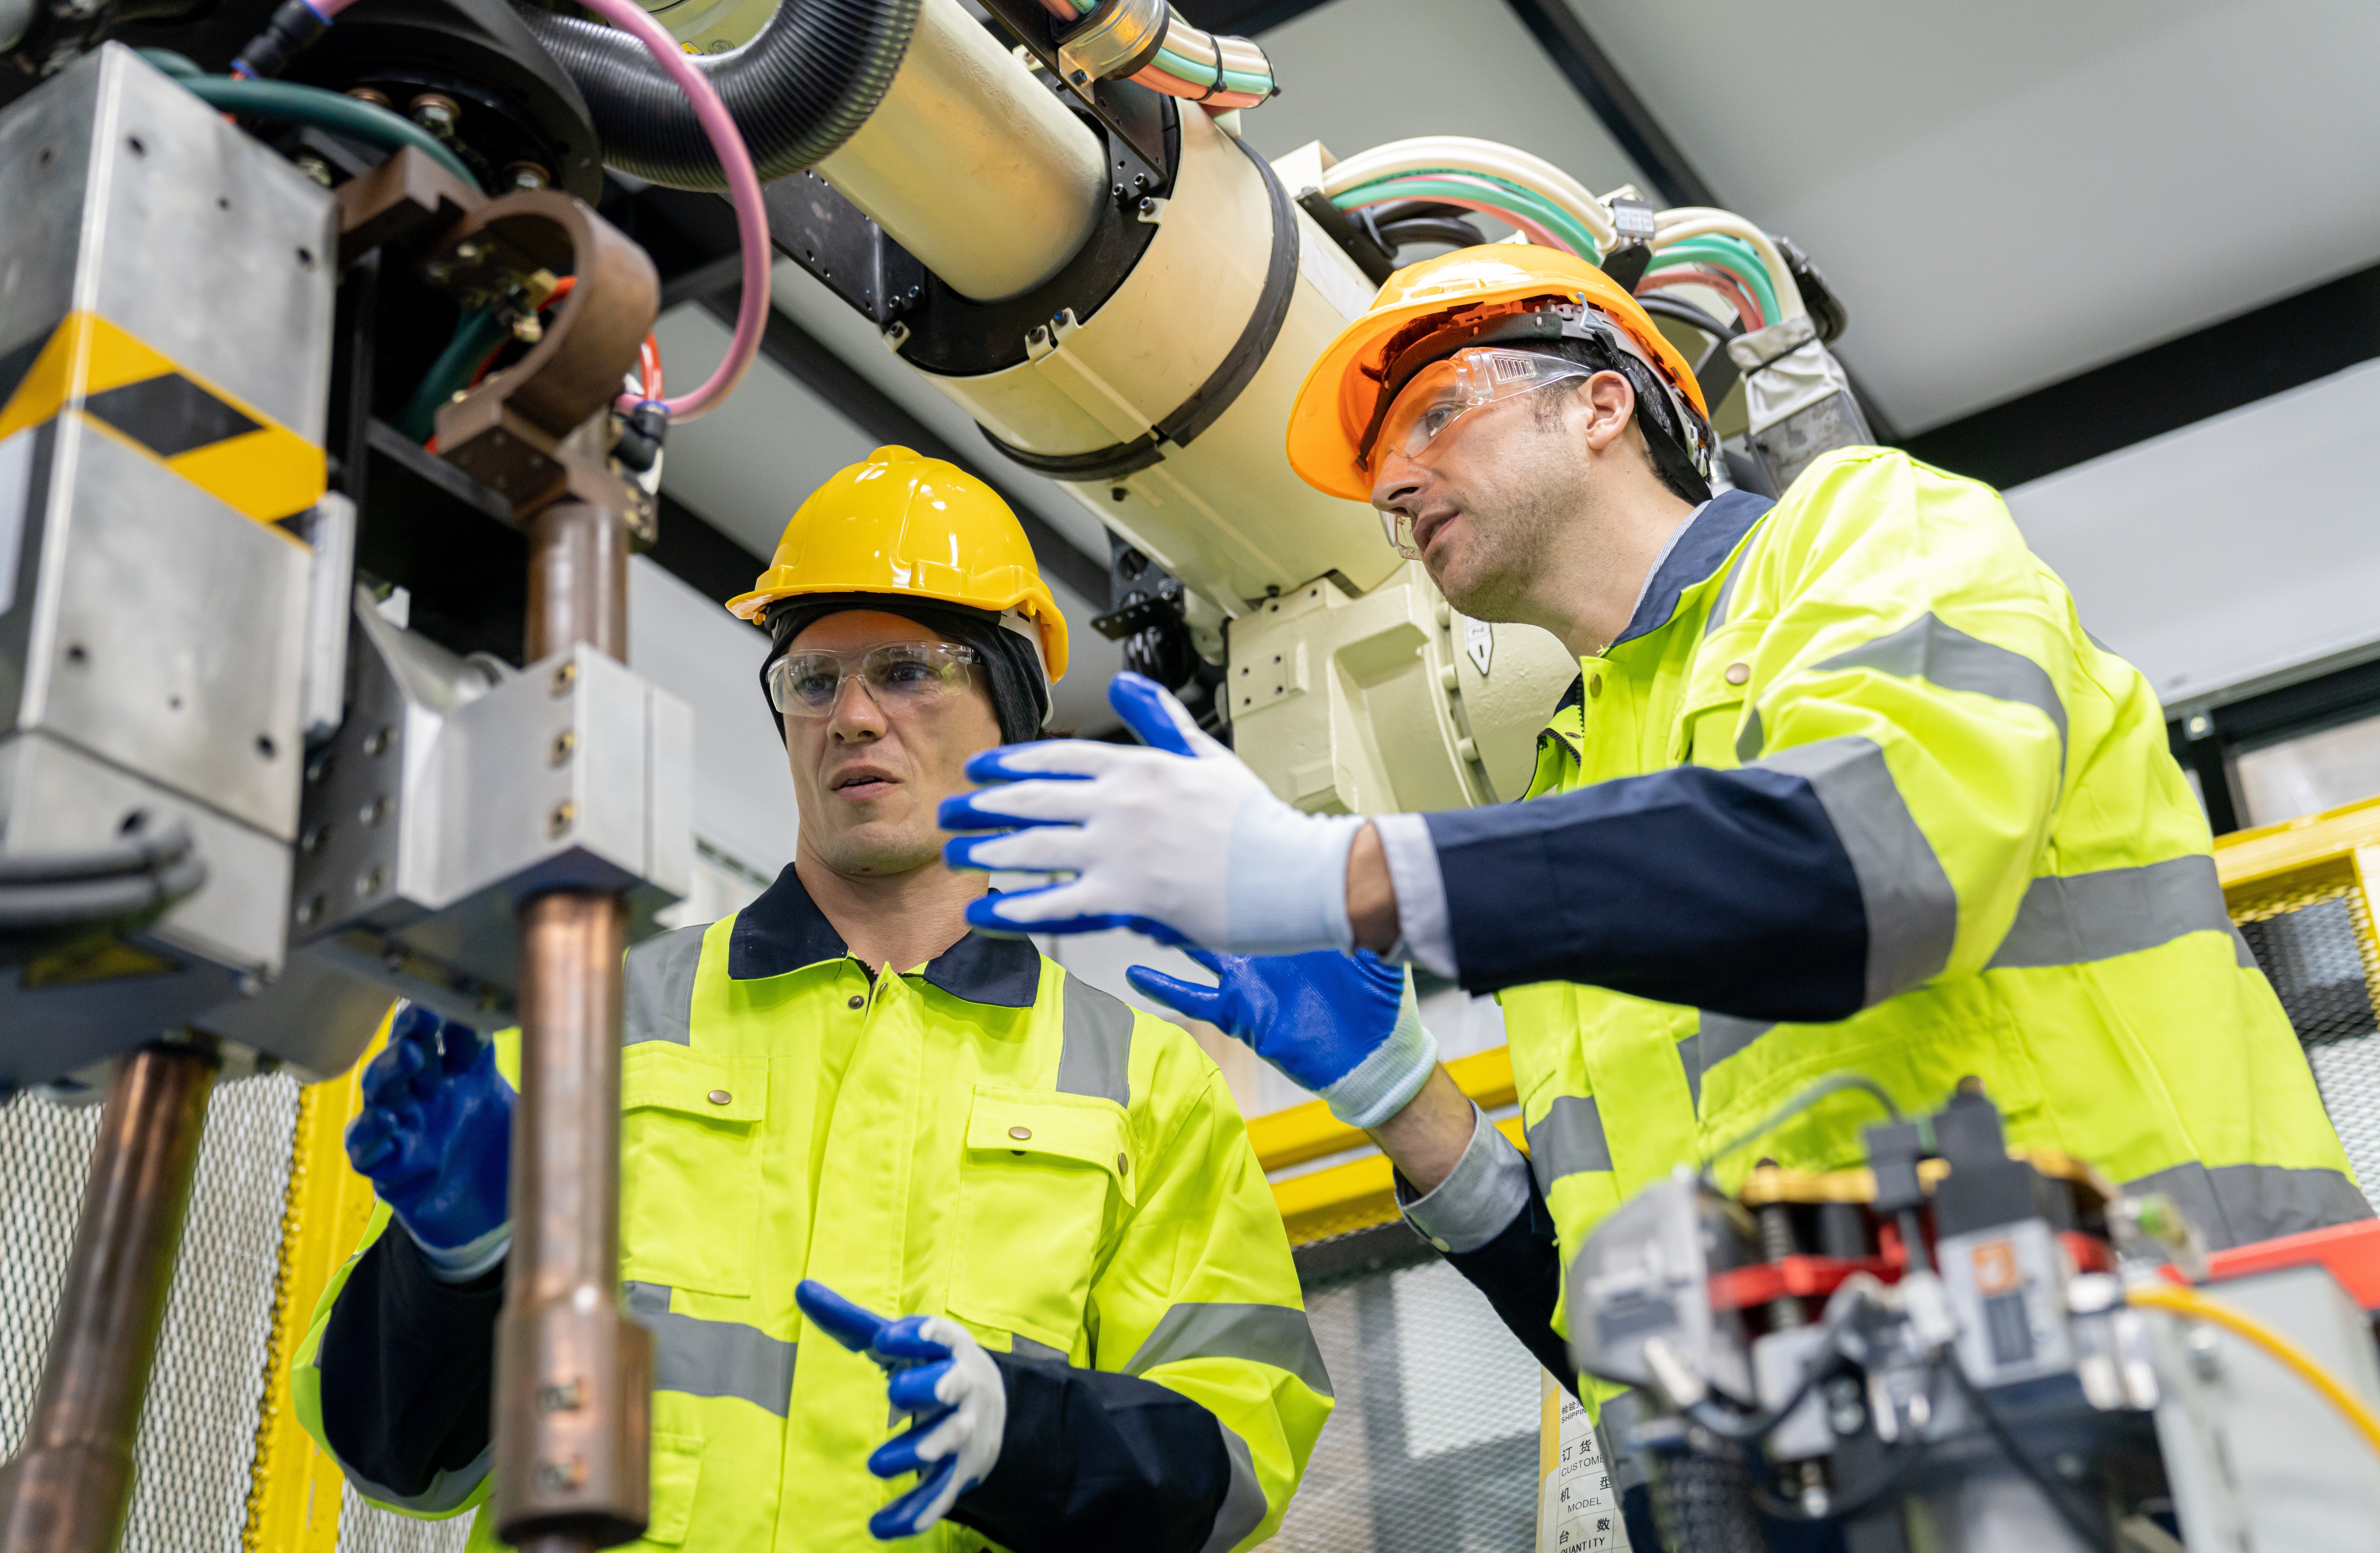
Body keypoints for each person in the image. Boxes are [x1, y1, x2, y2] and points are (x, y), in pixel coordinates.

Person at [936, 245, 2370, 1394]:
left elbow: (1877, 868)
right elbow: (1617, 1346)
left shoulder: (1864, 534)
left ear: (1601, 400)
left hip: (2185, 1397)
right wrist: (1405, 1104)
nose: (1394, 480)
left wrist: (1350, 867)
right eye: (1382, 474)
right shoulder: (1578, 784)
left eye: (1435, 411)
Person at [289, 447, 1331, 1553]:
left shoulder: (1145, 1087)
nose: (853, 717)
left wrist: (1024, 1437)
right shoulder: (589, 1021)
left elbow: (1237, 1470)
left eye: (909, 669)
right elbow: (400, 1464)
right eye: (814, 681)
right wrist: (455, 1268)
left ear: (1011, 708)